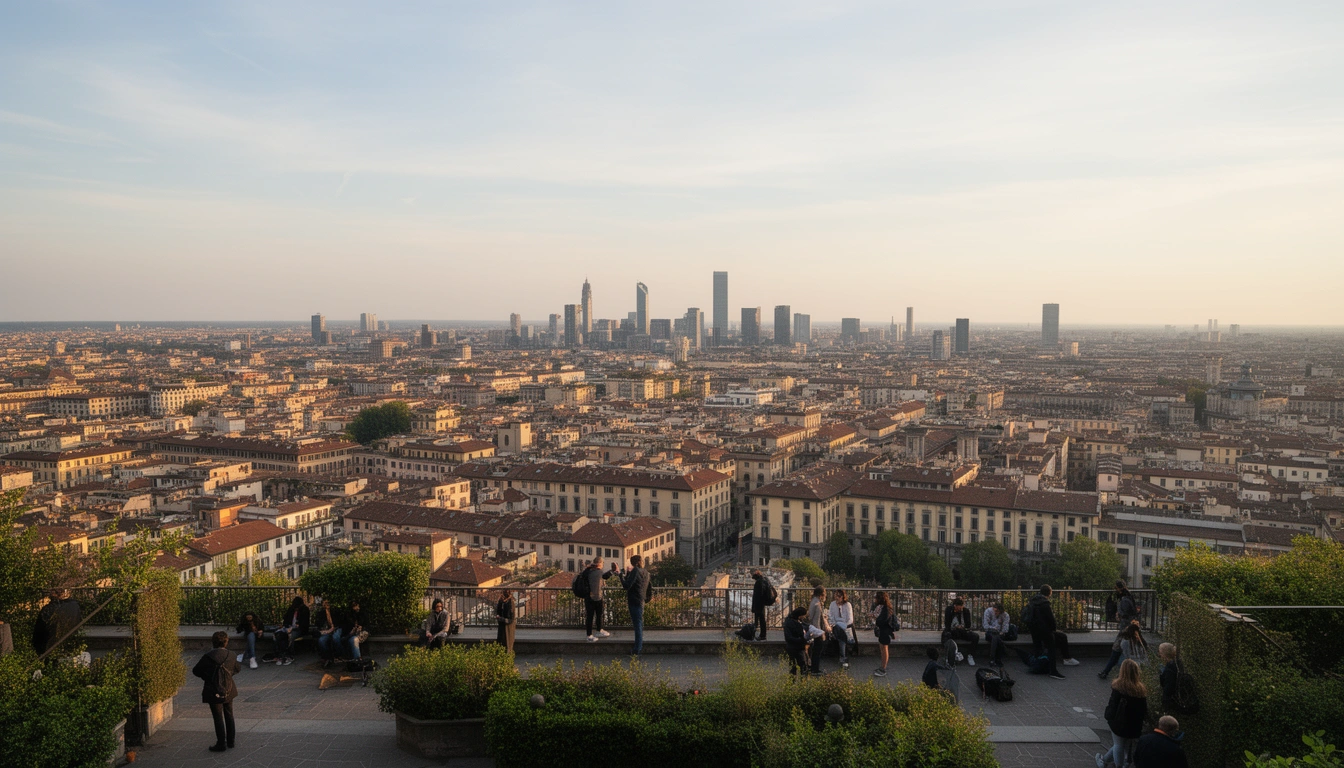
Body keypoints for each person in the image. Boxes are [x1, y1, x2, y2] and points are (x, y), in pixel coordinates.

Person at [192, 630, 241, 752]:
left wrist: (208, 676)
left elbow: (196, 671)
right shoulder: (232, 655)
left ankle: (221, 743)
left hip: (213, 689)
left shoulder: (208, 657)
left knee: (218, 717)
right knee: (229, 714)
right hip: (229, 689)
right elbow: (237, 669)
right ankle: (231, 741)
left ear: (213, 642)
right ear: (226, 642)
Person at [1097, 659, 1148, 768]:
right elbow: (1144, 708)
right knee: (1124, 744)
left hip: (1119, 722)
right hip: (1134, 723)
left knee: (1118, 745)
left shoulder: (1118, 687)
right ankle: (1105, 759)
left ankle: (1119, 765)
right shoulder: (1140, 689)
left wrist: (1108, 717)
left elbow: (1113, 705)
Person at [1100, 581, 1141, 678]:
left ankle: (1106, 672)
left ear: (1119, 588)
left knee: (1116, 649)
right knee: (1121, 650)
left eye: (1116, 588)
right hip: (1129, 628)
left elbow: (1127, 614)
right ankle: (1106, 671)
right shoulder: (1129, 597)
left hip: (1126, 629)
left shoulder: (1125, 600)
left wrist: (1119, 616)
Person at [1026, 585, 1066, 679]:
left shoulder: (1033, 601)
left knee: (1037, 647)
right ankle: (1053, 671)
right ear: (1050, 592)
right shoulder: (1045, 603)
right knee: (1051, 649)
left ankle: (1036, 667)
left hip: (1033, 629)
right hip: (1045, 630)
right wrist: (1053, 629)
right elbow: (1050, 619)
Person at [32, 588, 82, 657]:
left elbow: (38, 633)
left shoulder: (48, 609)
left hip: (50, 649)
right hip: (71, 649)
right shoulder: (75, 606)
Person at [621, 554, 652, 657]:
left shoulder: (636, 571)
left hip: (634, 600)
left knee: (637, 625)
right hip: (641, 600)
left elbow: (626, 586)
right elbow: (648, 587)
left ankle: (637, 649)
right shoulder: (646, 572)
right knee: (639, 623)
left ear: (632, 563)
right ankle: (638, 647)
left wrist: (620, 575)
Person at [583, 556, 618, 642]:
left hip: (588, 596)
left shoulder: (588, 571)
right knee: (595, 615)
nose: (603, 565)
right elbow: (604, 576)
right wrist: (612, 571)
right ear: (600, 563)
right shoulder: (597, 572)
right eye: (602, 563)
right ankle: (591, 635)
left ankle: (596, 631)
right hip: (595, 597)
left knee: (592, 615)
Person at [943, 596, 979, 666]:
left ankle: (970, 655)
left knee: (975, 637)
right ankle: (949, 656)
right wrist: (955, 626)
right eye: (958, 608)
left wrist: (963, 627)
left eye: (960, 608)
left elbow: (968, 625)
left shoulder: (965, 611)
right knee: (946, 636)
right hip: (952, 630)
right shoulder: (949, 610)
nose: (959, 610)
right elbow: (947, 624)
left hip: (963, 631)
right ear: (955, 606)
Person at [273, 596, 309, 665]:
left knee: (291, 636)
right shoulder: (291, 609)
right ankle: (280, 654)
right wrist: (285, 626)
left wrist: (295, 627)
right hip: (288, 627)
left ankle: (289, 654)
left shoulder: (304, 610)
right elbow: (286, 620)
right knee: (278, 635)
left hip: (299, 629)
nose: (296, 609)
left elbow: (304, 624)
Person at [871, 591, 897, 677]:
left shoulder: (885, 609)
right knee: (882, 648)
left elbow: (882, 620)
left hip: (885, 631)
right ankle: (882, 666)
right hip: (883, 631)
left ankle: (883, 668)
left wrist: (876, 619)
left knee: (884, 649)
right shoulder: (884, 607)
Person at [827, 589, 854, 670]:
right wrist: (833, 624)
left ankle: (843, 657)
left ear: (843, 597)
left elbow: (850, 619)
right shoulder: (832, 604)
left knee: (842, 635)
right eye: (836, 596)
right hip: (836, 626)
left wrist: (844, 626)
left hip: (845, 626)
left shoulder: (847, 605)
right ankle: (844, 658)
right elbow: (830, 617)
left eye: (839, 596)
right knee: (840, 632)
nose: (837, 598)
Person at [806, 586, 830, 674]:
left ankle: (813, 668)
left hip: (815, 630)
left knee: (815, 650)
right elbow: (815, 620)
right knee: (817, 651)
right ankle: (815, 670)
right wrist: (820, 633)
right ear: (821, 594)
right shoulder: (817, 604)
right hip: (816, 631)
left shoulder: (815, 602)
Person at [782, 606, 810, 677]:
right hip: (795, 647)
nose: (804, 618)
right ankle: (799, 680)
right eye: (803, 616)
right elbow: (789, 637)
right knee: (799, 665)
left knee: (797, 665)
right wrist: (802, 640)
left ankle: (795, 680)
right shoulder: (790, 623)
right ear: (800, 615)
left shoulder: (794, 621)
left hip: (796, 646)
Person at [982, 602, 1010, 667]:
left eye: (997, 611)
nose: (995, 613)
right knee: (995, 637)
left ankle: (992, 658)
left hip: (1000, 634)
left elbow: (1005, 628)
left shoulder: (1005, 615)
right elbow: (986, 626)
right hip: (990, 632)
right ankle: (998, 658)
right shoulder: (988, 612)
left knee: (996, 638)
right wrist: (993, 628)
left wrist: (1001, 632)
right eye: (994, 611)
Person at [314, 598, 339, 666]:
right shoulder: (320, 613)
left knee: (336, 638)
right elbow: (318, 624)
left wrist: (328, 612)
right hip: (325, 631)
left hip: (334, 630)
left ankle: (337, 656)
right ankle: (327, 658)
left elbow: (335, 624)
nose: (326, 605)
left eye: (328, 603)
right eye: (325, 603)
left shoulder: (334, 612)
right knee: (322, 640)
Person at [750, 569, 772, 642]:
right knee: (761, 619)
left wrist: (755, 605)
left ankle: (762, 635)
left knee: (761, 620)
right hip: (761, 603)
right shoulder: (764, 580)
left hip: (759, 604)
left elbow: (758, 595)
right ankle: (758, 634)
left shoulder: (759, 583)